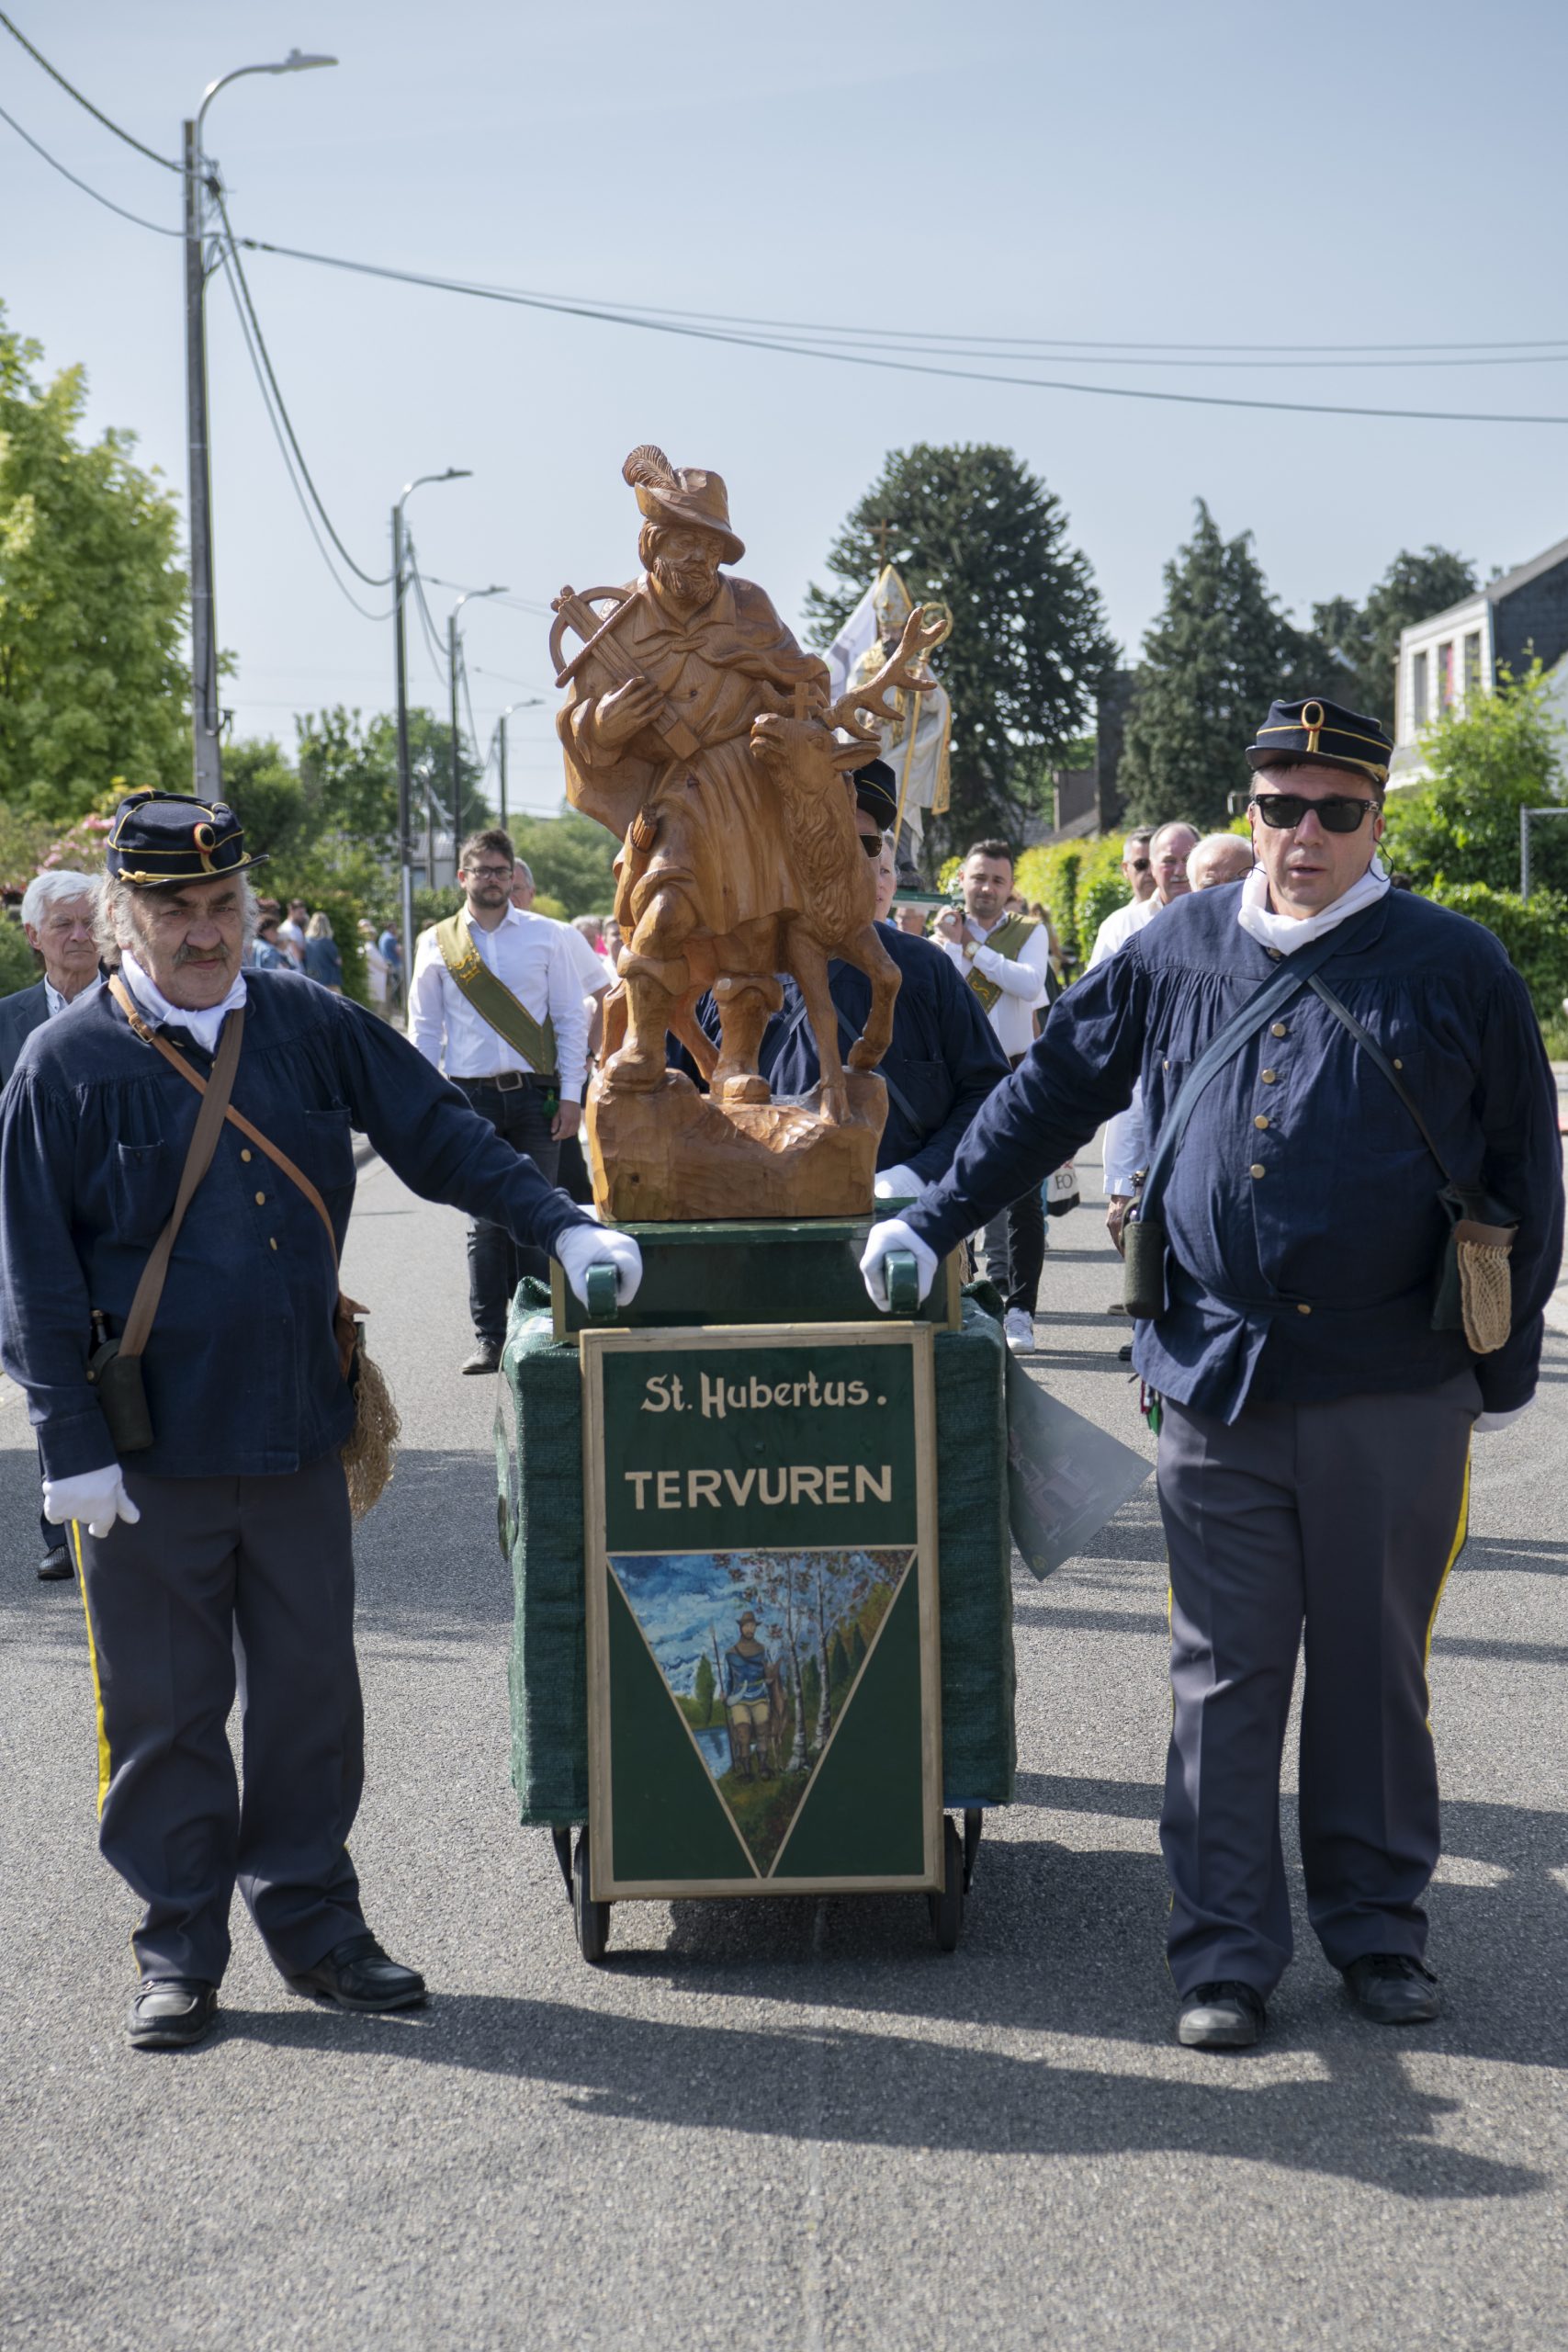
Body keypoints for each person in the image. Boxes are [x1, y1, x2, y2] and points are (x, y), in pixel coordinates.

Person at [861, 696, 1563, 2052]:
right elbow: (1050, 1091)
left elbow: (1525, 1178)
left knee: (1370, 1674)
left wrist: (1489, 1374)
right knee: (1221, 1676)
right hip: (1215, 1370)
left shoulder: (1453, 964)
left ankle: (1373, 1936)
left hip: (1388, 1378)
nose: (1301, 836)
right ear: (1246, 813)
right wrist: (932, 1214)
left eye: (1333, 811)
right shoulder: (1171, 947)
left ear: (1374, 819)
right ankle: (1224, 1952)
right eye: (1277, 808)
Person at [0, 787, 639, 2052]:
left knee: (308, 1699)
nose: (205, 932)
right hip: (143, 1460)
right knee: (164, 1714)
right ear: (126, 915)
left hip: (295, 1425)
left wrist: (558, 1218)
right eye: (176, 910)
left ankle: (315, 1925)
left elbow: (435, 1131)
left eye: (224, 904)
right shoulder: (62, 1064)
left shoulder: (300, 1021)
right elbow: (29, 1267)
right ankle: (179, 1945)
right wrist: (66, 1443)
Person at [685, 763, 1010, 1194]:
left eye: (865, 843)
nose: (842, 856)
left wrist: (917, 1177)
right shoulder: (720, 972)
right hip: (757, 1233)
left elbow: (989, 1093)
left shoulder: (924, 970)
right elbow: (672, 1102)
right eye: (823, 835)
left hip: (904, 1232)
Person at [410, 829, 590, 1374]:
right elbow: (424, 1030)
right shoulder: (436, 942)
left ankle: (542, 1329)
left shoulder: (546, 936)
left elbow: (570, 1017)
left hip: (535, 1096)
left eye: (500, 870)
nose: (492, 879)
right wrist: (423, 1105)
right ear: (462, 877)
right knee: (484, 1222)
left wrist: (571, 1096)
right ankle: (490, 1338)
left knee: (538, 1214)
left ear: (513, 877)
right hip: (469, 1097)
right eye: (481, 870)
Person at [1, 870, 106, 1583]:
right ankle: (61, 1526)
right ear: (34, 936)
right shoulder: (6, 1022)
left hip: (118, 1223)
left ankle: (126, 1503)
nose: (79, 936)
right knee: (50, 1366)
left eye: (89, 921)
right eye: (63, 924)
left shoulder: (137, 1009)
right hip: (31, 1228)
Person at [933, 841, 1053, 1353]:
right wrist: (952, 945)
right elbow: (946, 998)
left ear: (1010, 889)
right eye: (979, 878)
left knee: (1025, 1195)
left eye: (997, 881)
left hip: (1016, 1069)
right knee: (958, 1186)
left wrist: (974, 950)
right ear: (962, 878)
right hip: (958, 1076)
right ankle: (973, 1294)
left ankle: (1021, 1308)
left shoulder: (1028, 932)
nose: (986, 889)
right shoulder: (942, 937)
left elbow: (1029, 986)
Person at [1100, 823, 1221, 1248]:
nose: (1178, 869)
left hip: (1207, 1097)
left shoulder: (1231, 924)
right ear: (1151, 866)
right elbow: (1100, 1020)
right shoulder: (1121, 926)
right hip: (1136, 1094)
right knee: (1130, 1226)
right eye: (1168, 859)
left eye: (1188, 859)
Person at [1085, 831, 1157, 967]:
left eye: (1154, 864)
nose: (1149, 872)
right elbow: (1097, 980)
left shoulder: (1181, 913)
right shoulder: (1115, 924)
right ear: (1125, 869)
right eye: (1141, 864)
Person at [301, 912, 344, 992]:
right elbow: (337, 961)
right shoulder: (327, 942)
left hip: (312, 979)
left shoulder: (306, 941)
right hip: (329, 981)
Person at [360, 920, 390, 1016]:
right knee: (374, 1008)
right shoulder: (370, 947)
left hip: (374, 978)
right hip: (374, 979)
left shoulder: (369, 946)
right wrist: (386, 967)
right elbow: (380, 963)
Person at [277, 899, 309, 968]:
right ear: (291, 911)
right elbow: (298, 956)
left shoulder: (296, 927)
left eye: (303, 913)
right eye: (300, 913)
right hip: (294, 970)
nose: (303, 916)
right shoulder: (289, 928)